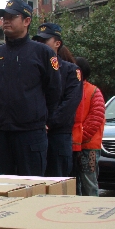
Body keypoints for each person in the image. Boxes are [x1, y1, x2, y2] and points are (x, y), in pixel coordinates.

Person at [0, 0, 62, 175]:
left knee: (31, 187)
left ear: (27, 21)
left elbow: (54, 91)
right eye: (4, 17)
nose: (6, 20)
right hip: (2, 133)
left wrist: (40, 117)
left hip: (30, 134)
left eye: (12, 17)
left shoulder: (42, 53)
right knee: (2, 187)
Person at [32, 23, 83, 177]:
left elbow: (70, 103)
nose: (40, 45)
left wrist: (48, 123)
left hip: (58, 135)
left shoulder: (71, 71)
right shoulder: (34, 69)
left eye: (44, 41)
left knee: (57, 181)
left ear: (57, 43)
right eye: (38, 41)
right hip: (34, 133)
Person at [74, 57, 105, 196]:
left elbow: (96, 119)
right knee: (76, 184)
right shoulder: (72, 88)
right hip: (75, 144)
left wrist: (78, 136)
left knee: (89, 182)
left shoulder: (93, 91)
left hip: (88, 146)